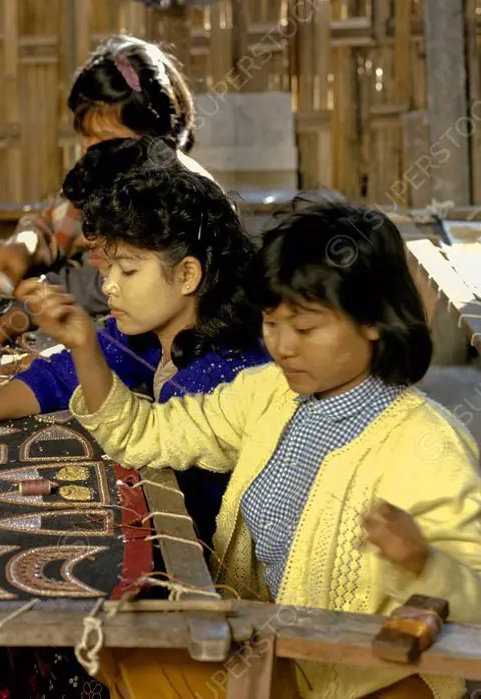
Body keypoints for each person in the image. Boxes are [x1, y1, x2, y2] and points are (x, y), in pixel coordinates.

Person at [48, 197, 481, 699]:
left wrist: (422, 562)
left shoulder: (427, 443)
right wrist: (83, 347)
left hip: (366, 683)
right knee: (112, 646)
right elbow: (146, 435)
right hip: (266, 655)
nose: (282, 346)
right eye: (271, 324)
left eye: (305, 328)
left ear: (373, 321)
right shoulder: (270, 394)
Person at [0, 138, 269, 548]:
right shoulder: (152, 337)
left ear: (188, 275)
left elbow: (143, 441)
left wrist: (84, 346)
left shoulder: (225, 374)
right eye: (107, 266)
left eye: (128, 270)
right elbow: (63, 375)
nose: (108, 285)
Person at [0, 34, 212, 358]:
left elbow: (97, 283)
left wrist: (18, 315)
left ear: (154, 134)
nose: (89, 149)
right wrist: (25, 245)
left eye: (103, 138)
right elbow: (58, 219)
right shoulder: (111, 174)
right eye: (84, 137)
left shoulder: (169, 197)